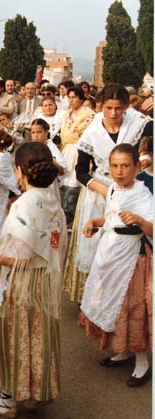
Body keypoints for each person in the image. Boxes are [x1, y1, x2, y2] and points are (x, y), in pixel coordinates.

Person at [0, 142, 67, 418]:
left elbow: (20, 257)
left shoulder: (23, 205)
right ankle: (36, 391)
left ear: (19, 171)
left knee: (11, 333)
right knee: (37, 334)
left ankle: (8, 398)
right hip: (45, 282)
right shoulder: (53, 201)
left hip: (23, 282)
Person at [63, 83, 152, 305]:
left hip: (129, 189)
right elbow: (81, 170)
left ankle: (124, 298)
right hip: (98, 190)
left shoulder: (140, 125)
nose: (114, 113)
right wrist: (105, 190)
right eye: (109, 108)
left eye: (119, 108)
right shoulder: (92, 131)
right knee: (94, 243)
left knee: (126, 240)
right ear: (101, 106)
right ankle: (94, 297)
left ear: (126, 108)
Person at [78, 144, 152, 387]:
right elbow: (111, 218)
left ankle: (142, 361)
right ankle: (125, 350)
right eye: (115, 166)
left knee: (132, 305)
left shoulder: (143, 193)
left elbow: (152, 226)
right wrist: (95, 222)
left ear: (137, 167)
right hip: (110, 251)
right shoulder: (112, 190)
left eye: (126, 166)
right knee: (112, 303)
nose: (120, 171)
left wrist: (140, 221)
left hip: (132, 256)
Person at [59, 86, 94, 228]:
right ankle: (65, 215)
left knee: (75, 181)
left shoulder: (88, 114)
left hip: (79, 151)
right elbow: (64, 134)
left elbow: (84, 136)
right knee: (64, 180)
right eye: (69, 97)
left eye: (74, 97)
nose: (71, 100)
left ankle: (74, 216)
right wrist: (71, 136)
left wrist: (73, 136)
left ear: (81, 98)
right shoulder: (67, 114)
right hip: (66, 150)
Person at [30, 118, 69, 200]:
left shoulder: (51, 148)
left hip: (49, 187)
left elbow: (63, 171)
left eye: (39, 132)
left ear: (46, 132)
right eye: (33, 133)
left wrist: (52, 162)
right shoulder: (30, 148)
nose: (36, 135)